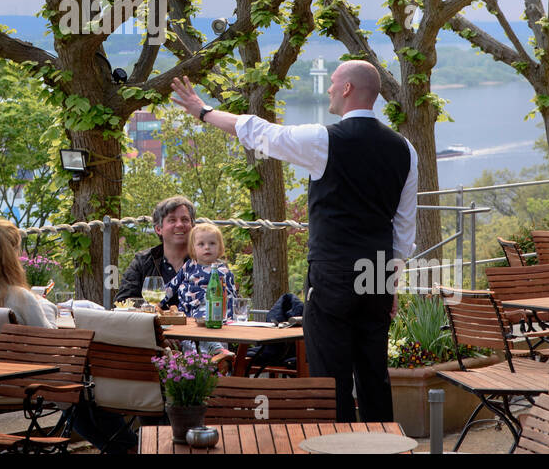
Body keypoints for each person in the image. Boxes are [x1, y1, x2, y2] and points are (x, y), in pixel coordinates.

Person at [170, 61, 417, 423]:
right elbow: (403, 229)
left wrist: (204, 112)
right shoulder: (405, 149)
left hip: (334, 275)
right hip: (378, 276)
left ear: (347, 89)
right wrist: (390, 283)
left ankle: (339, 449)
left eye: (333, 83)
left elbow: (260, 133)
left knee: (330, 379)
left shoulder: (325, 140)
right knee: (374, 374)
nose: (329, 89)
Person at [115, 195, 195, 302]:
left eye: (185, 220)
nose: (179, 224)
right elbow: (123, 302)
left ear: (193, 226)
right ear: (158, 229)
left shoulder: (208, 263)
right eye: (172, 220)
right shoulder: (143, 262)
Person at [163, 223, 237, 322]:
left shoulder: (223, 272)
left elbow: (230, 298)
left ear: (220, 247)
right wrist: (157, 302)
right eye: (201, 244)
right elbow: (172, 286)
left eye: (212, 243)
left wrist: (229, 319)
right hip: (184, 311)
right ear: (193, 248)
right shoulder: (188, 266)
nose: (207, 247)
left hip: (207, 312)